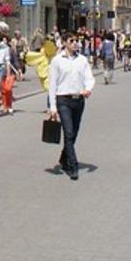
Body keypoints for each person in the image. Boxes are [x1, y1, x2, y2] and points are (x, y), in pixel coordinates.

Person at [47, 33, 95, 180]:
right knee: (67, 132)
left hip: (78, 99)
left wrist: (88, 88)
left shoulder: (82, 60)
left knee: (73, 133)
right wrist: (53, 107)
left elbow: (89, 77)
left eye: (77, 41)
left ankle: (63, 157)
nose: (75, 43)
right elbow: (52, 85)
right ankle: (72, 165)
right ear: (65, 43)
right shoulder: (57, 61)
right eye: (72, 41)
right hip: (63, 99)